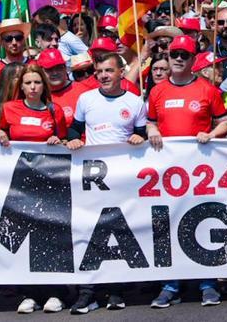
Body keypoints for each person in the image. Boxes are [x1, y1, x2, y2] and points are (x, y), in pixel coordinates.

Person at [145, 36, 227, 309]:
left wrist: (212, 133)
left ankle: (207, 283)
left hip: (199, 172)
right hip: (167, 174)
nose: (178, 58)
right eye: (174, 54)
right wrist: (153, 130)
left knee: (200, 223)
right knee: (167, 227)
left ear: (194, 60)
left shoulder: (208, 90)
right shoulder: (157, 92)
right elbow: (149, 123)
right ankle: (170, 285)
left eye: (185, 54)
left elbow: (225, 123)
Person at [66, 49, 148, 313]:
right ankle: (87, 292)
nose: (103, 76)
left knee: (120, 233)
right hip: (92, 179)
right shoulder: (86, 99)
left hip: (123, 180)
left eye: (108, 71)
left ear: (121, 73)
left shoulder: (135, 102)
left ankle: (116, 290)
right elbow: (74, 129)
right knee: (89, 234)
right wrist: (74, 138)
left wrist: (140, 138)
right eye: (99, 71)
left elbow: (142, 134)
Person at [0, 63, 69, 314]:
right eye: (28, 83)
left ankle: (56, 292)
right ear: (21, 87)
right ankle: (30, 293)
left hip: (50, 183)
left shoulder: (54, 110)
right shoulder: (8, 109)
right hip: (20, 184)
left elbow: (66, 141)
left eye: (37, 82)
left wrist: (59, 141)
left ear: (43, 86)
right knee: (25, 238)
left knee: (49, 237)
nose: (33, 87)